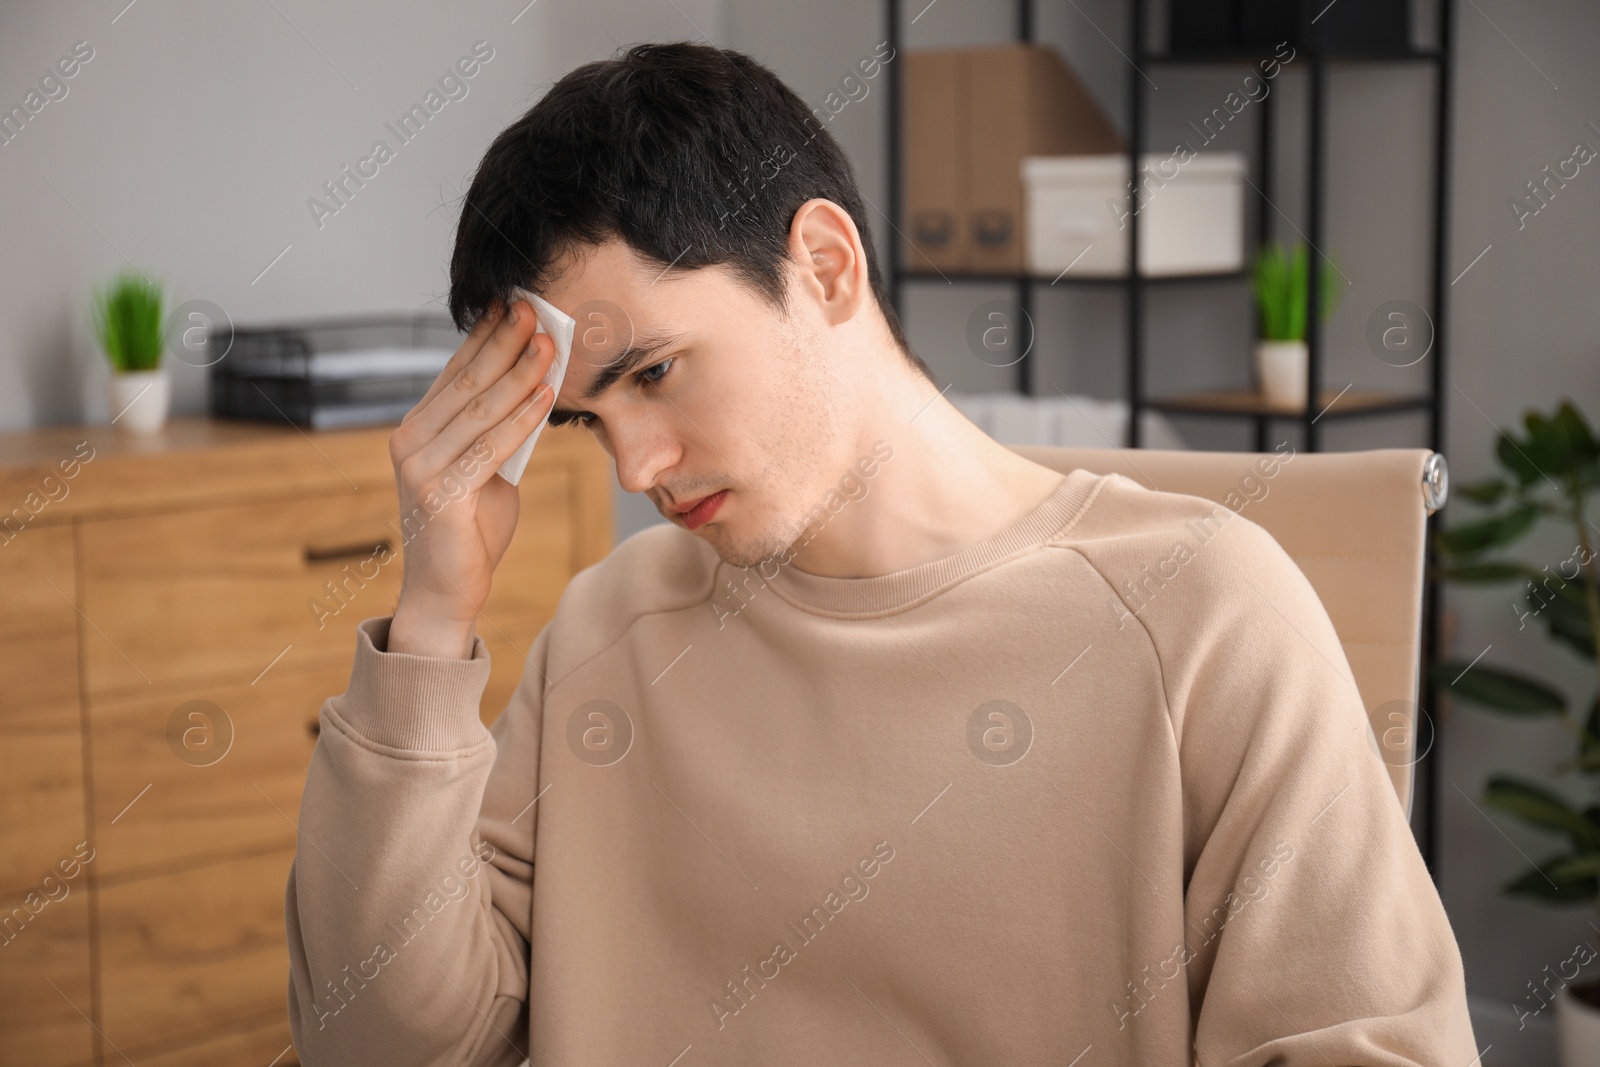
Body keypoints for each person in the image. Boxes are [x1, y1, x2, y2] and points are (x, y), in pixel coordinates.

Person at [284, 40, 1477, 1066]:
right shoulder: (607, 630)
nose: (634, 468)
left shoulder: (1204, 611)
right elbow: (378, 1039)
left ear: (824, 265)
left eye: (652, 372)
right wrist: (434, 620)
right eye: (586, 419)